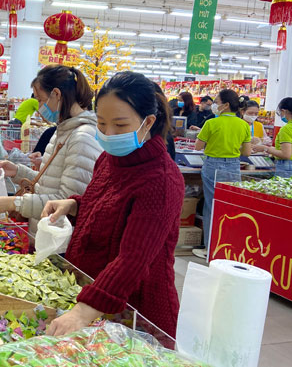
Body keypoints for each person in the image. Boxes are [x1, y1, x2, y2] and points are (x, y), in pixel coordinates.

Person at [41, 71, 184, 339]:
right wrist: (73, 205)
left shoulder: (162, 180)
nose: (108, 133)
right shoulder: (107, 160)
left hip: (135, 313)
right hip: (93, 295)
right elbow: (110, 209)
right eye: (102, 123)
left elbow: (134, 257)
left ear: (148, 122)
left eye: (120, 125)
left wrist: (82, 313)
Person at [0, 66, 103, 237]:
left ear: (56, 94)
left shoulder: (82, 137)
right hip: (46, 232)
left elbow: (67, 200)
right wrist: (17, 171)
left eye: (40, 100)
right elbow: (49, 182)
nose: (39, 108)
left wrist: (14, 203)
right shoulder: (62, 131)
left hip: (59, 240)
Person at [192, 89, 251, 259]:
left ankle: (210, 249)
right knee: (230, 208)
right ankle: (227, 246)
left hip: (212, 165)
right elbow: (246, 151)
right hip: (233, 166)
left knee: (212, 206)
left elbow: (197, 147)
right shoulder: (244, 125)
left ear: (225, 105)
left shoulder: (212, 123)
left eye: (217, 102)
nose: (215, 105)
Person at [254, 97, 292, 177]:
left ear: (283, 111)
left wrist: (265, 148)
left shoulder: (286, 129)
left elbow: (286, 154)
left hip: (287, 167)